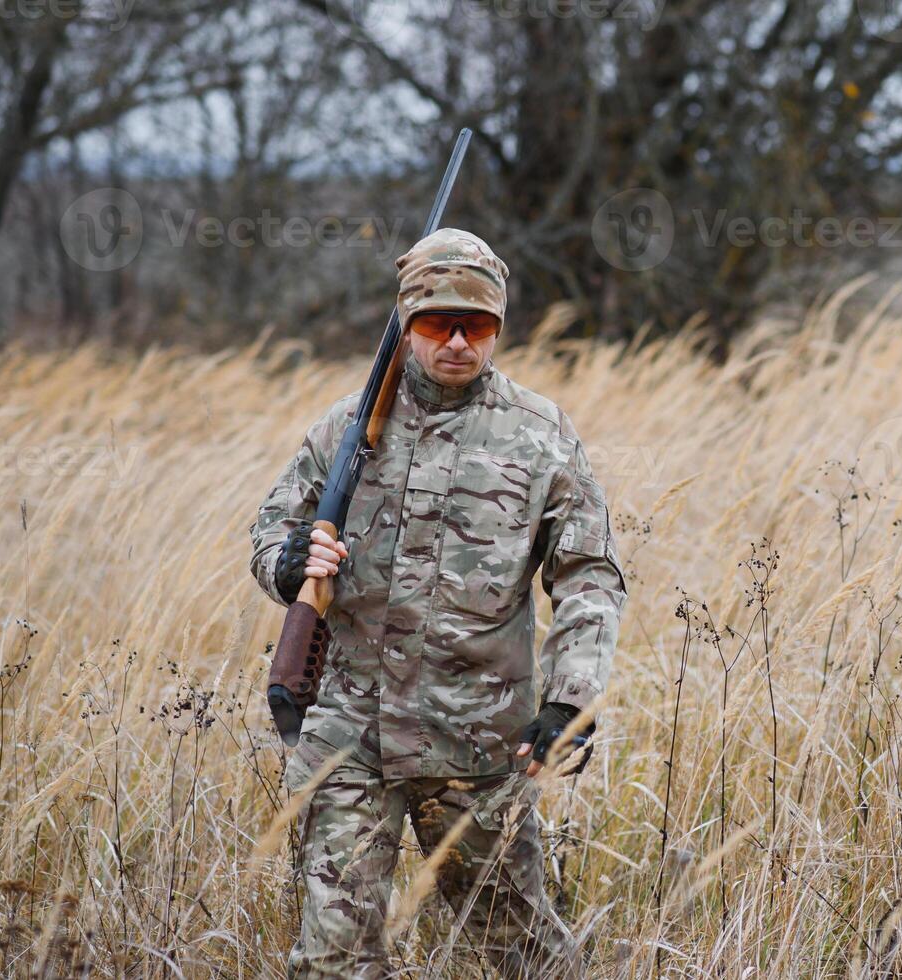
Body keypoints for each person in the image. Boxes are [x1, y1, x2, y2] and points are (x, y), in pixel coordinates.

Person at [248, 227, 626, 979]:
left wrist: (570, 701)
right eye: (435, 323)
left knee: (521, 955)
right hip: (349, 739)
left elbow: (589, 575)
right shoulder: (343, 429)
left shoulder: (540, 435)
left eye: (478, 325)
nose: (457, 341)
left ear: (498, 328)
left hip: (481, 745)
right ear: (405, 322)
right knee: (332, 962)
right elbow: (271, 532)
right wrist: (288, 563)